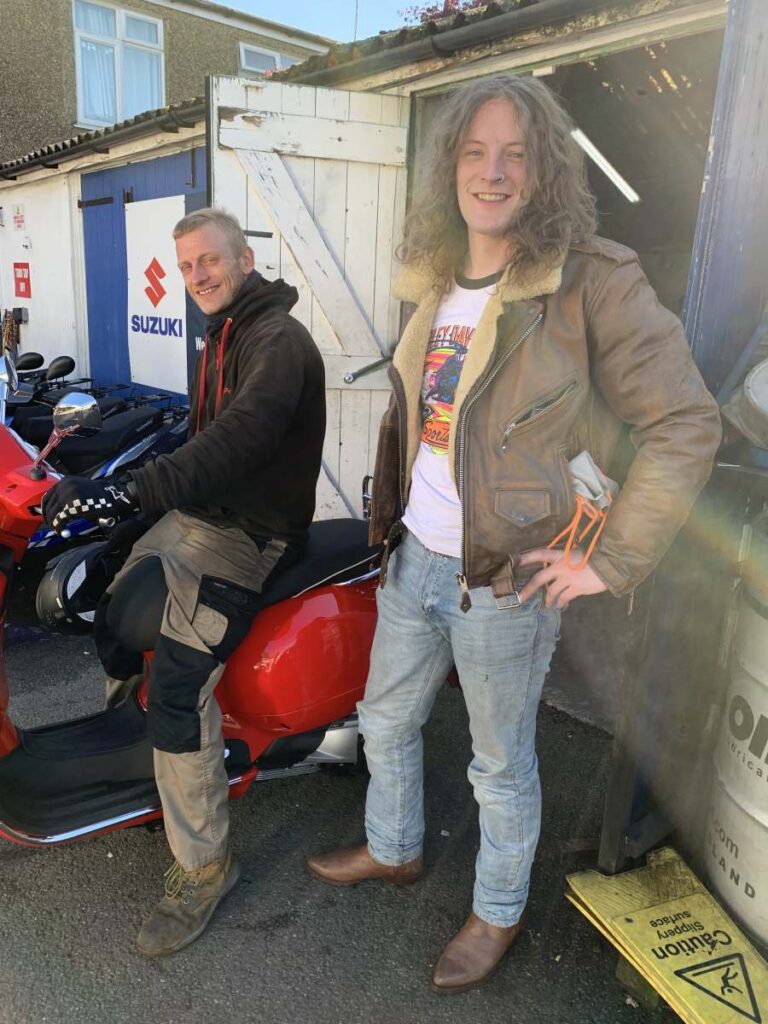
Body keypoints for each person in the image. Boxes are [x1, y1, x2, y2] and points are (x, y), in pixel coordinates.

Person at [306, 76, 721, 993]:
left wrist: (610, 558)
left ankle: (496, 912)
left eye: (515, 154)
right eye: (473, 152)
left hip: (503, 579)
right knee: (385, 718)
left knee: (498, 764)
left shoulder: (590, 281)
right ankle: (395, 846)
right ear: (450, 166)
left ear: (544, 173)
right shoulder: (435, 276)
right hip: (413, 554)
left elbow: (687, 422)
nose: (492, 172)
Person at [43, 208, 326, 957]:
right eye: (189, 264)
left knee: (177, 684)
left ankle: (205, 866)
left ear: (244, 258)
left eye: (211, 260)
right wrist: (126, 503)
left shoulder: (278, 342)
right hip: (199, 516)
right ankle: (145, 768)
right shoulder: (222, 332)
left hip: (247, 538)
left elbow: (242, 437)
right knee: (106, 609)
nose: (199, 275)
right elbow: (203, 439)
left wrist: (137, 489)